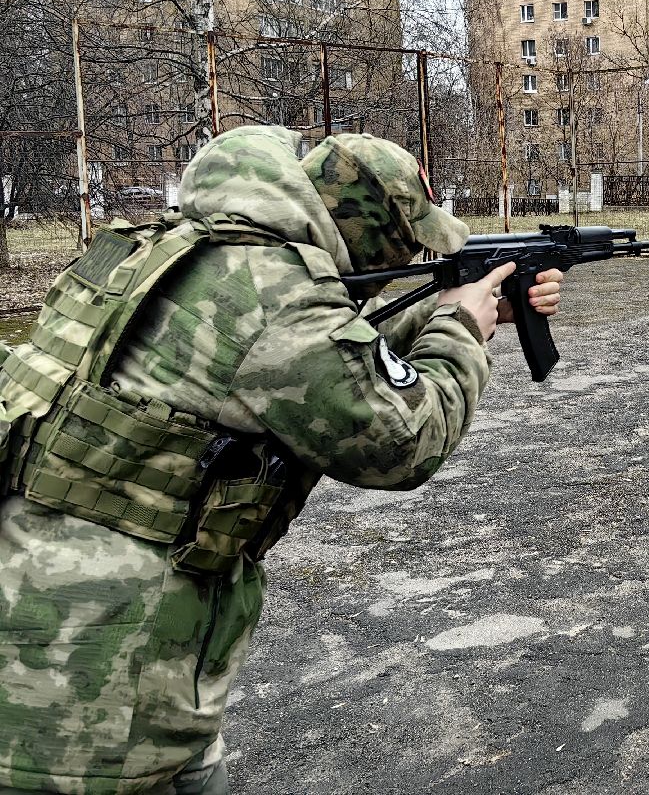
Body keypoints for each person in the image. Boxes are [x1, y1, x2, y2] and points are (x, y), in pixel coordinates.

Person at [0, 126, 562, 794]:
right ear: (367, 228)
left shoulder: (191, 248)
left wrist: (444, 312)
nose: (413, 253)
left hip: (67, 618)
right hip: (88, 679)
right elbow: (401, 440)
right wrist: (462, 330)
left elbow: (315, 369)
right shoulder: (273, 290)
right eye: (407, 238)